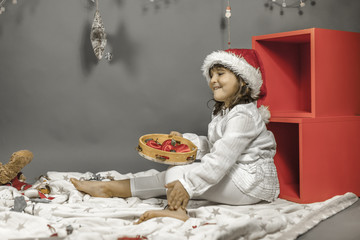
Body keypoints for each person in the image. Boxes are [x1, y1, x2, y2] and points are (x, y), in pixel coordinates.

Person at [70, 49, 280, 224]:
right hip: (238, 175)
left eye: (220, 74)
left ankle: (177, 211)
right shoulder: (225, 112)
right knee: (171, 175)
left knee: (177, 176)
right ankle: (108, 188)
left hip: (251, 184)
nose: (213, 80)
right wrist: (187, 141)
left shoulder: (243, 115)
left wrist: (188, 185)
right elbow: (216, 144)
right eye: (211, 75)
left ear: (243, 81)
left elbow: (221, 159)